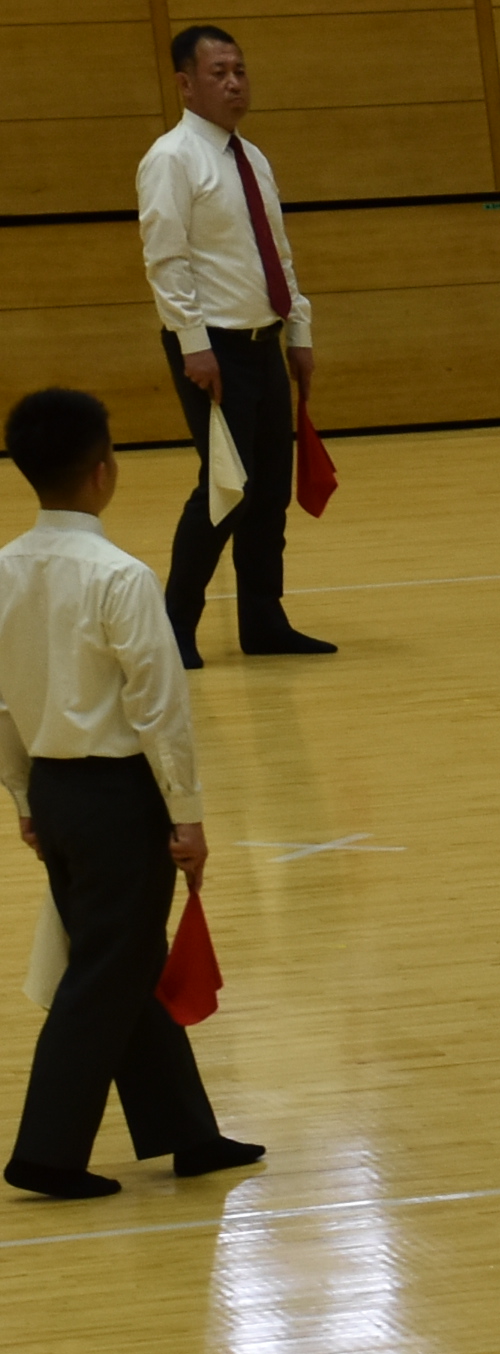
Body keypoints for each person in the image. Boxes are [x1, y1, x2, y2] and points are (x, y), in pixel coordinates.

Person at [5, 390, 256, 1203]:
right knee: (106, 970)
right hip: (117, 798)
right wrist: (187, 815)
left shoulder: (3, 570)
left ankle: (188, 1132)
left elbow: (1, 703)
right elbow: (159, 709)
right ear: (104, 470)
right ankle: (46, 1153)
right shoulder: (120, 576)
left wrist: (24, 798)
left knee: (128, 957)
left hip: (55, 788)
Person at [137, 27, 328, 667]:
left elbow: (278, 255)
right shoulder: (172, 158)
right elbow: (166, 261)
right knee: (225, 489)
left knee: (269, 489)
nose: (234, 83)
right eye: (218, 72)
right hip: (212, 349)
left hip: (263, 343)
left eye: (240, 70)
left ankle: (263, 622)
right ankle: (173, 628)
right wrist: (194, 345)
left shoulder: (252, 158)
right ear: (185, 84)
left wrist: (297, 332)